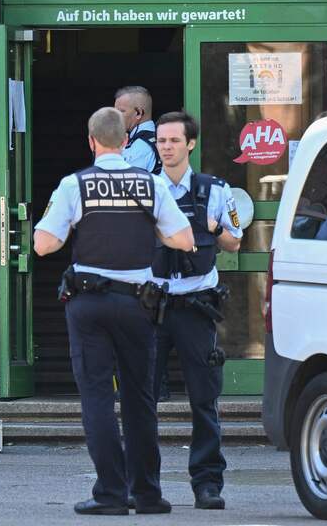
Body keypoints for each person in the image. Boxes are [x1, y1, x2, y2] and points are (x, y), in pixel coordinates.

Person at [34, 107, 194, 516]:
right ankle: (147, 494)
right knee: (141, 400)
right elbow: (183, 238)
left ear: (91, 142)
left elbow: (43, 245)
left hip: (88, 304)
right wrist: (150, 228)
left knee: (98, 399)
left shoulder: (75, 185)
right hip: (137, 302)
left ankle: (110, 494)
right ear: (126, 141)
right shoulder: (151, 184)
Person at [152, 111, 243, 510]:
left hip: (195, 307)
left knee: (204, 399)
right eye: (161, 141)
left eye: (174, 140)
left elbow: (235, 242)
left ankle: (208, 483)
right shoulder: (145, 188)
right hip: (150, 305)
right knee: (140, 400)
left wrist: (212, 228)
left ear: (190, 144)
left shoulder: (215, 190)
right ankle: (143, 484)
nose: (166, 147)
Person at [114, 85, 160, 174]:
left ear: (139, 113)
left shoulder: (140, 146)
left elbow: (125, 184)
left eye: (121, 111)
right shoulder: (157, 136)